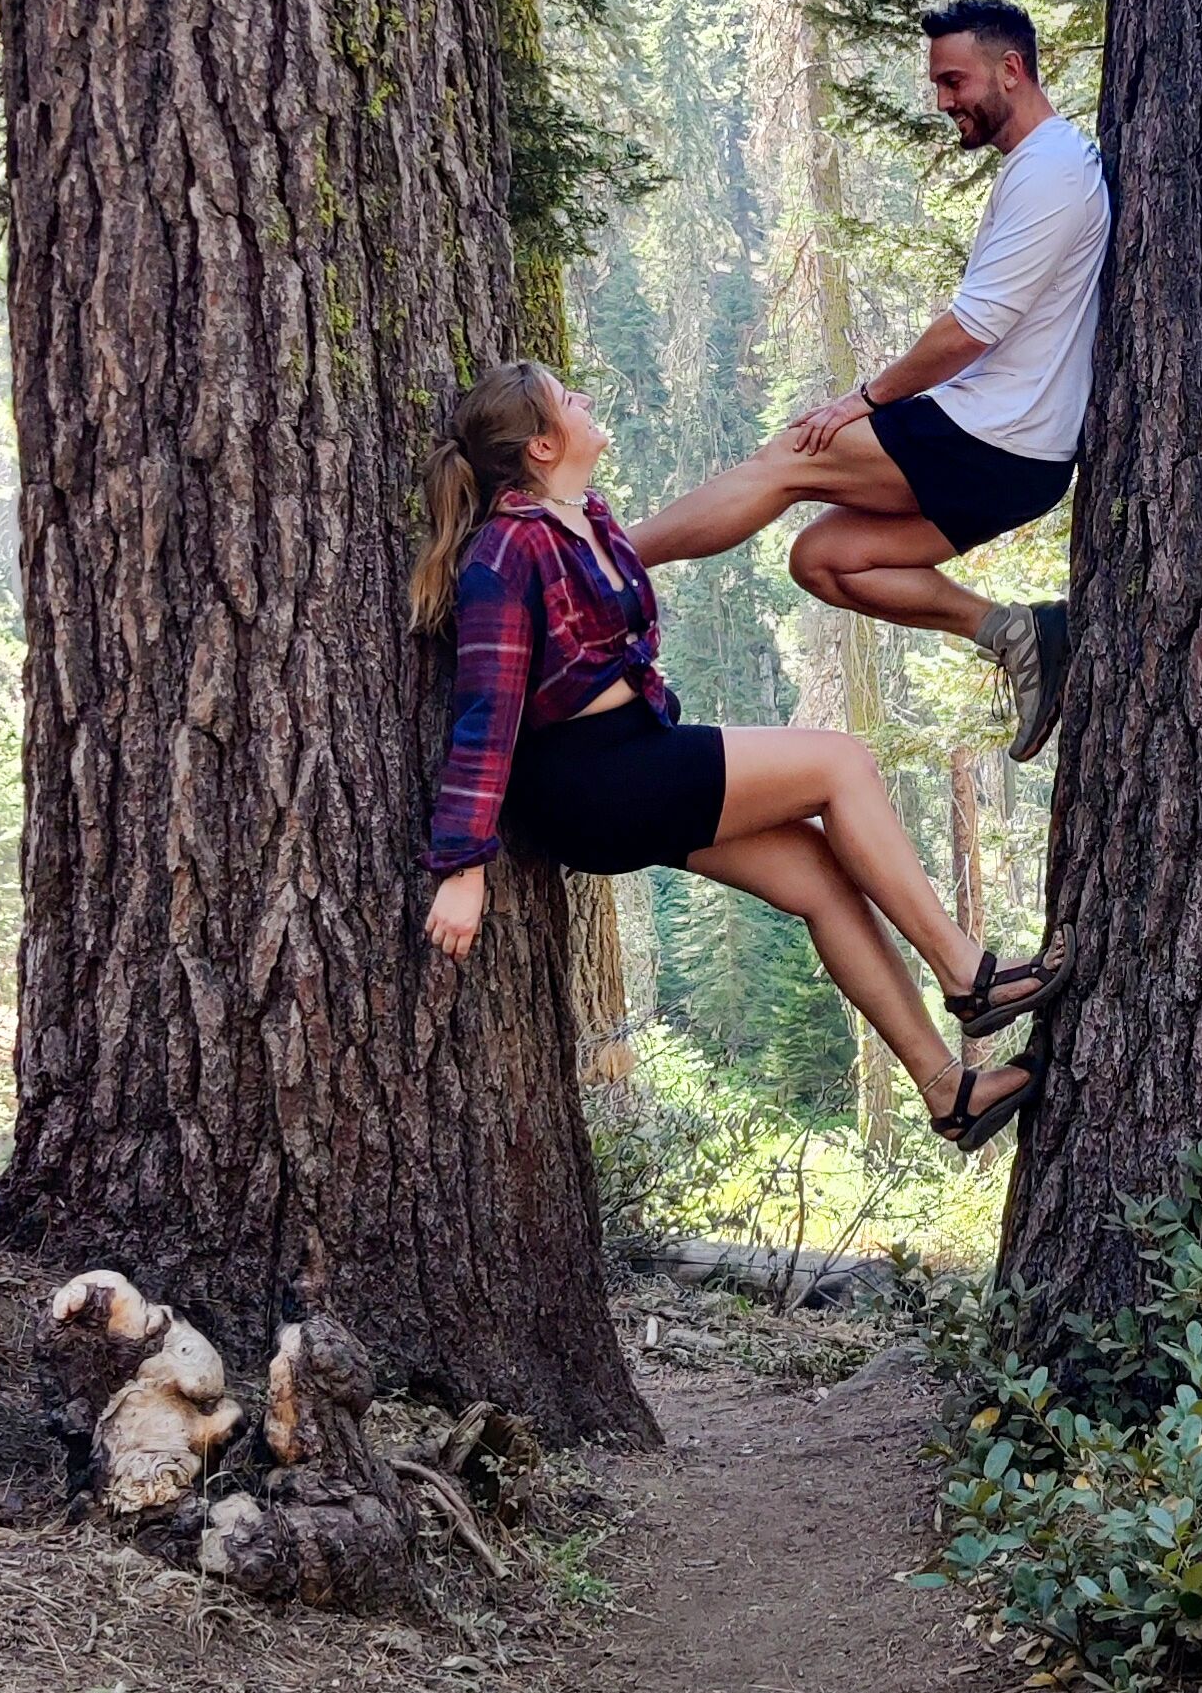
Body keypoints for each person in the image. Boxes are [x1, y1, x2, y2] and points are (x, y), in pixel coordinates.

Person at [413, 358, 1067, 1149]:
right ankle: (970, 975)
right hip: (591, 780)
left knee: (823, 881)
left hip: (632, 758)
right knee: (839, 762)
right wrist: (463, 866)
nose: (586, 400)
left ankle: (949, 1092)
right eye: (568, 399)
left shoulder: (589, 518)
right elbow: (485, 712)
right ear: (543, 445)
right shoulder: (505, 553)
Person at [629, 0, 1108, 762]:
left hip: (997, 435)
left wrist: (866, 399)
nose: (945, 101)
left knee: (790, 459)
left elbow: (970, 330)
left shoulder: (1049, 170)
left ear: (1011, 70)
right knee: (823, 561)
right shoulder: (1043, 166)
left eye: (955, 82)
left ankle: (603, 559)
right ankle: (1018, 633)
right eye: (938, 87)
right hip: (1021, 455)